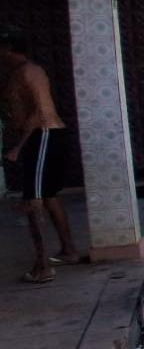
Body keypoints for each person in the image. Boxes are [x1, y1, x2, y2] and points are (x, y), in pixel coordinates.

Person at [1, 29, 80, 282]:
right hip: (41, 137)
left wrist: (19, 147)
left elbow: (40, 112)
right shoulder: (18, 73)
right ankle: (68, 251)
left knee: (32, 201)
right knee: (47, 196)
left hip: (43, 135)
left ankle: (43, 267)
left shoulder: (29, 72)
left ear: (8, 48)